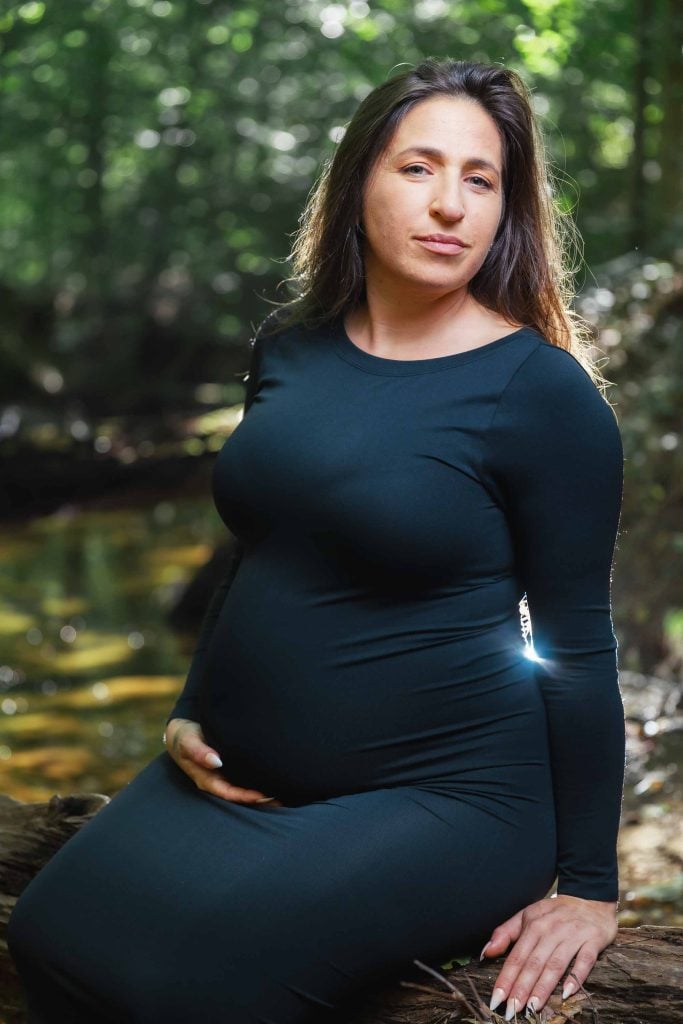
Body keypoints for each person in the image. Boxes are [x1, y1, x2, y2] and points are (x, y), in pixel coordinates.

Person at [8, 56, 625, 1024]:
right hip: (242, 780)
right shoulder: (290, 353)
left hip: (453, 799)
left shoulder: (538, 393)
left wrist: (588, 882)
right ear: (356, 185)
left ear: (506, 210)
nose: (450, 205)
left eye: (480, 179)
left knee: (182, 991)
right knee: (46, 935)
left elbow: (577, 643)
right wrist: (188, 708)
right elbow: (260, 552)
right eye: (417, 168)